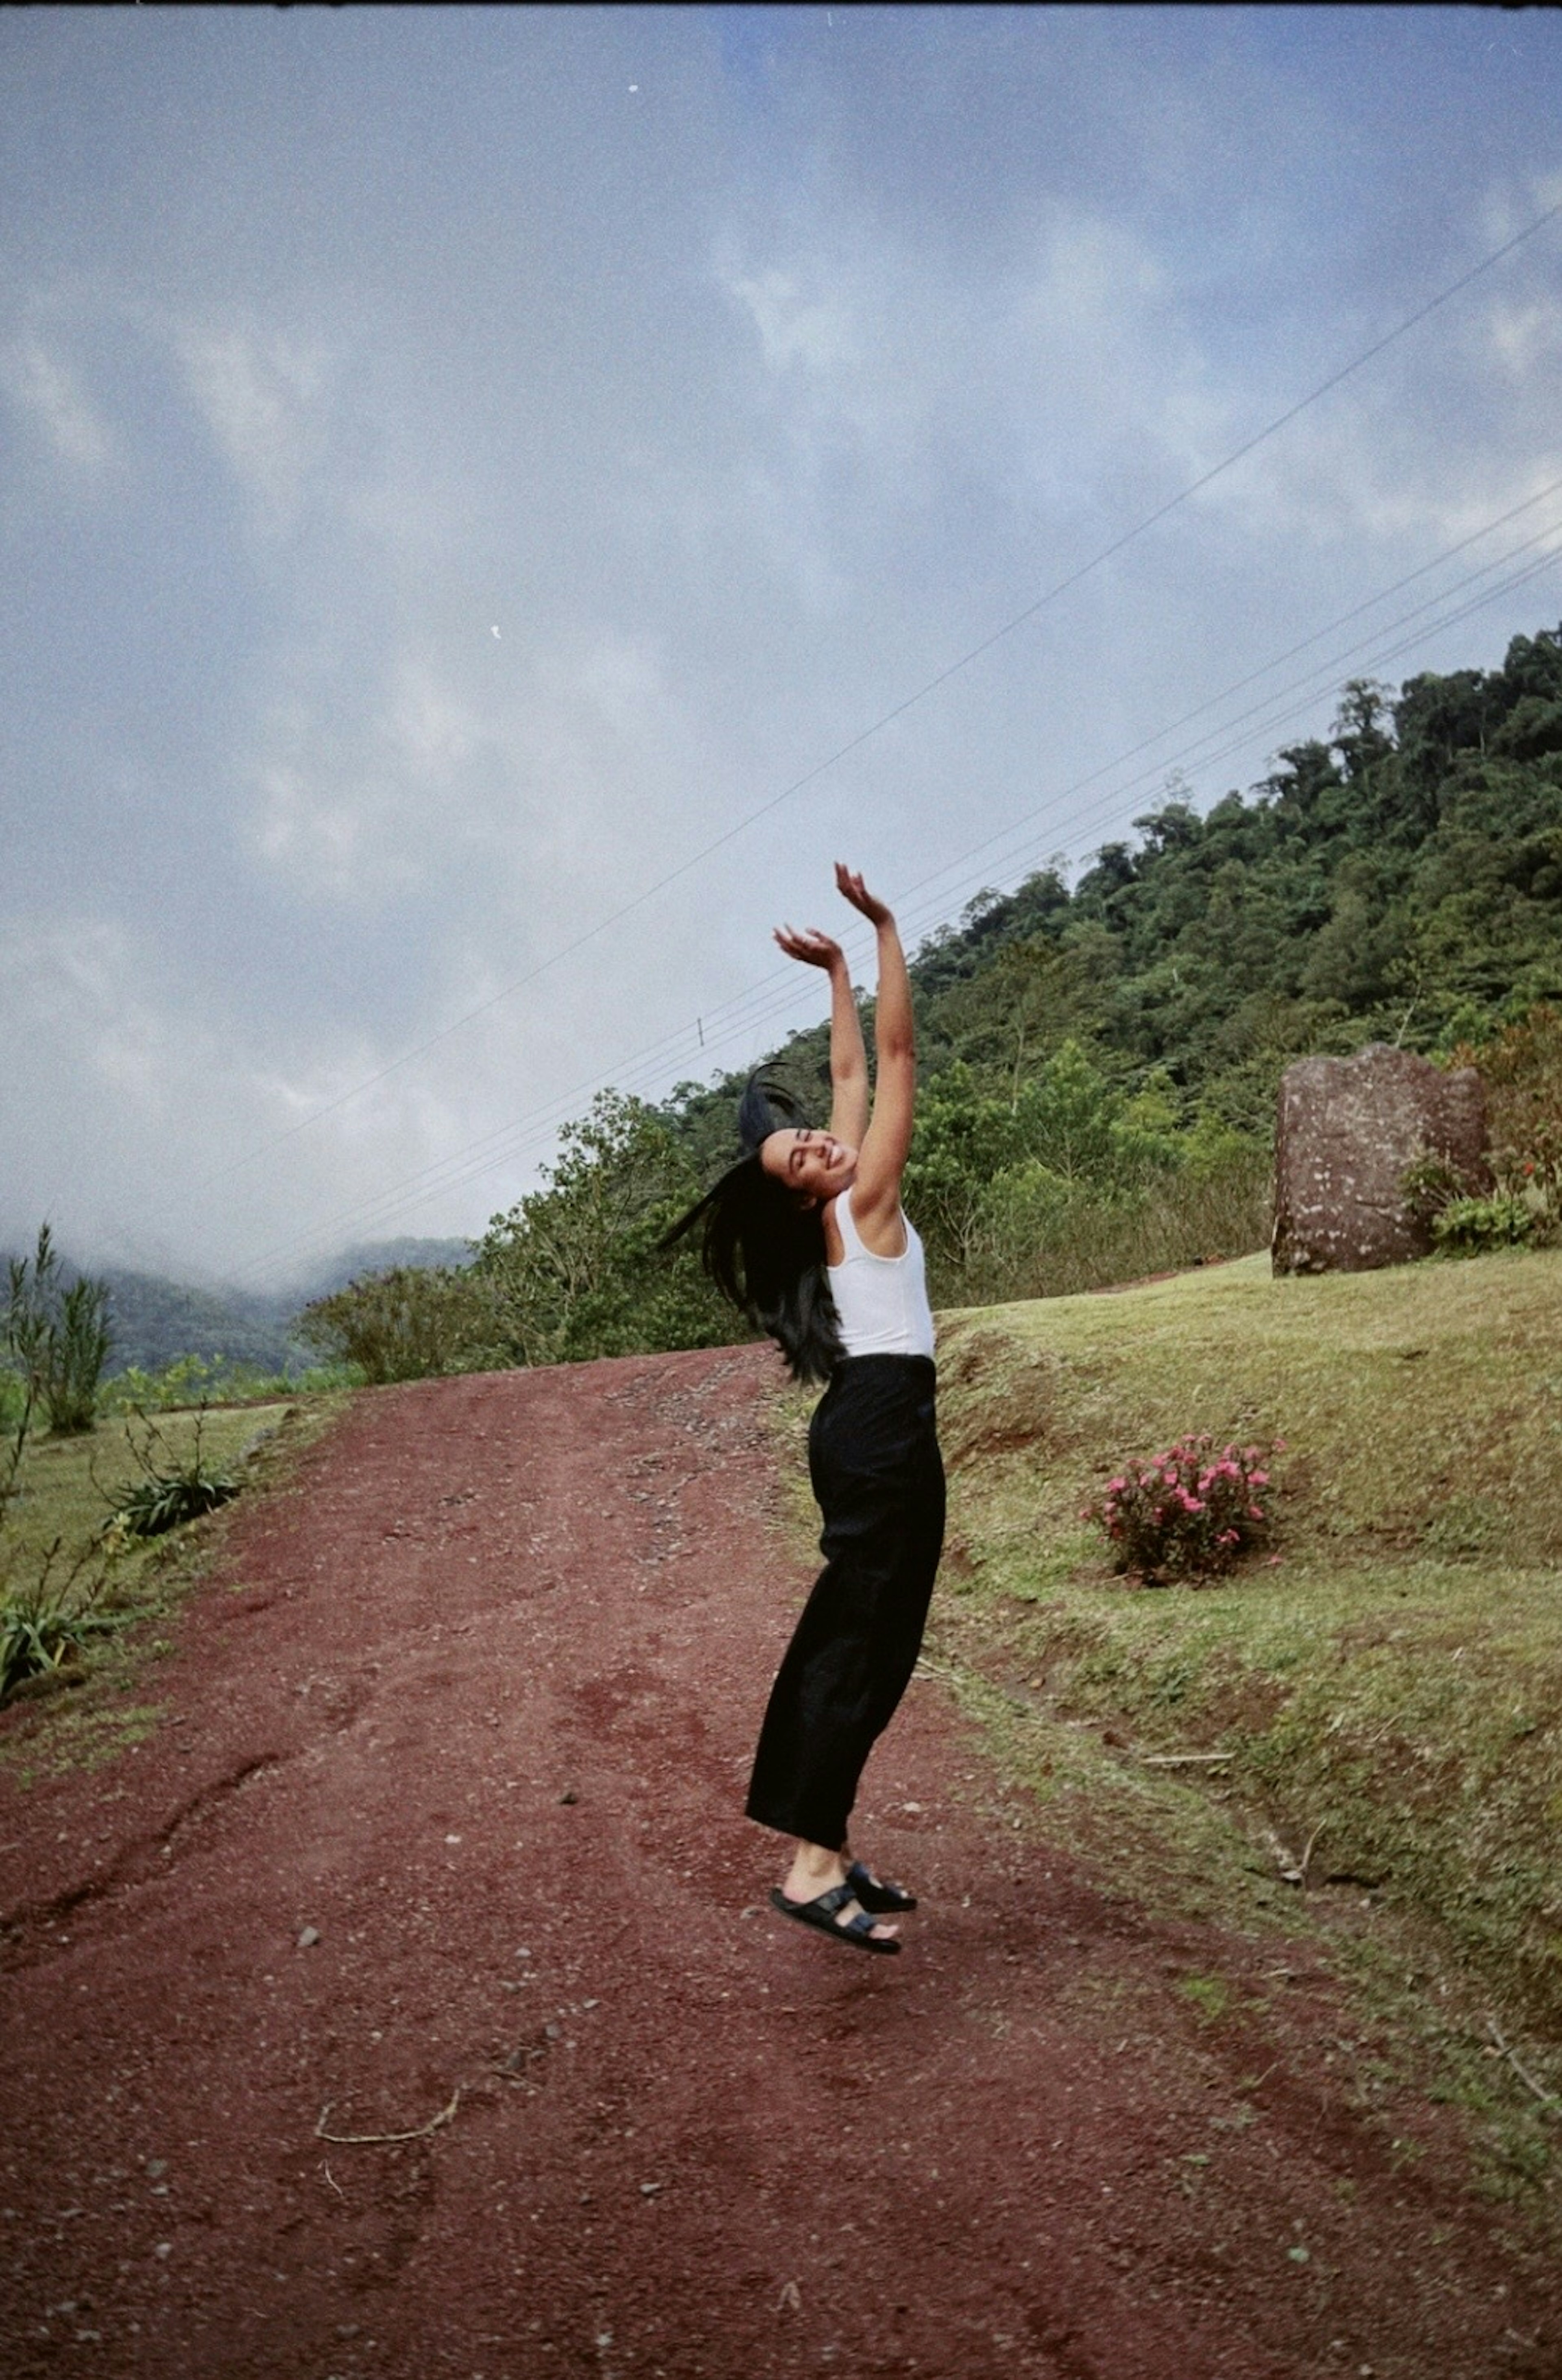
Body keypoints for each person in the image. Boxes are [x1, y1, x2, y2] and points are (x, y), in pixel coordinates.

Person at [664, 864, 944, 1954]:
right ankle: (811, 1867)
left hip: (875, 1425)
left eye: (817, 1137)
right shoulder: (864, 1201)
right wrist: (885, 929)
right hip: (879, 1431)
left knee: (869, 1639)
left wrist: (834, 974)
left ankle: (827, 1837)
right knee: (862, 1646)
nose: (826, 1141)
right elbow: (897, 1061)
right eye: (805, 1156)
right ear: (808, 1196)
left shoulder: (841, 1199)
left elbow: (851, 1073)